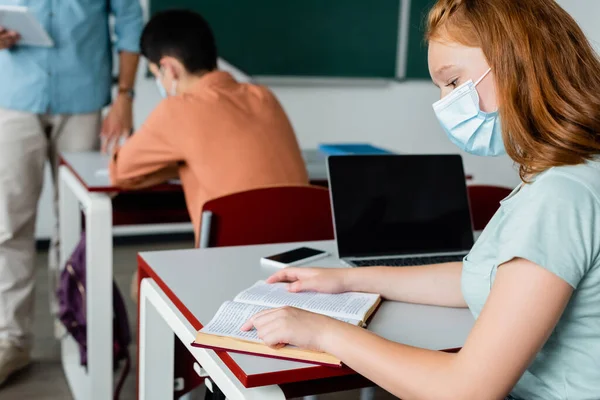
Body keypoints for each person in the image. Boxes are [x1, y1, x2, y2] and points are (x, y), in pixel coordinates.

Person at [241, 1, 600, 399]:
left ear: (516, 61)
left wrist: (323, 331)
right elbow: (478, 278)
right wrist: (346, 279)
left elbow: (465, 391)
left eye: (452, 81)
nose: (445, 103)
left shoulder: (560, 195)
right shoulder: (571, 171)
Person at [0, 0, 142, 386]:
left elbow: (129, 19)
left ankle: (74, 328)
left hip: (83, 99)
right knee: (8, 225)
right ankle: (11, 339)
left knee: (79, 227)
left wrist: (125, 96)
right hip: (14, 96)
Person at [109, 9, 309, 246]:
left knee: (139, 282)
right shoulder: (263, 96)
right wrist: (190, 161)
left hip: (231, 264)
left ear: (169, 68)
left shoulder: (178, 110)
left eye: (156, 74)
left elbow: (120, 172)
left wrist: (179, 165)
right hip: (305, 260)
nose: (160, 83)